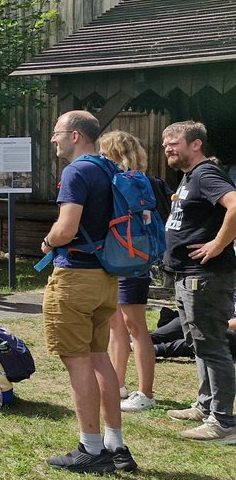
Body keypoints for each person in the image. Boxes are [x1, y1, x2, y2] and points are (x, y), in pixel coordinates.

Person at [40, 110, 134, 474]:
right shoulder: (110, 168)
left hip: (76, 277)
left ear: (76, 135)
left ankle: (90, 449)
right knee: (100, 358)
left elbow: (66, 228)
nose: (53, 139)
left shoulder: (76, 171)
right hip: (106, 278)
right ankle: (116, 445)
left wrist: (48, 242)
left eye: (57, 132)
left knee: (77, 361)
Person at [160, 120, 236, 443]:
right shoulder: (190, 178)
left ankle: (223, 421)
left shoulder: (206, 174)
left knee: (213, 345)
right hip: (187, 275)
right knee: (199, 343)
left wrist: (217, 244)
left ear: (196, 145)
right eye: (164, 144)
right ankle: (205, 406)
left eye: (173, 142)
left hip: (204, 277)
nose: (167, 148)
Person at [98, 131, 160, 412]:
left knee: (135, 327)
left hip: (123, 258)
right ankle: (118, 383)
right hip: (134, 257)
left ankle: (145, 392)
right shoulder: (147, 181)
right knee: (119, 325)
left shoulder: (116, 182)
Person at [151, 306, 236, 360]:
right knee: (182, 322)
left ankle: (156, 349)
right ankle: (143, 343)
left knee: (209, 336)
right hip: (211, 320)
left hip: (229, 330)